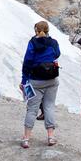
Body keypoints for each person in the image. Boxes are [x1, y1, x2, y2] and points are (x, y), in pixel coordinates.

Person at [21, 20, 61, 149]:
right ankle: (50, 136)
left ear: (36, 31)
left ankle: (26, 139)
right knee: (49, 106)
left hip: (36, 80)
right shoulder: (53, 43)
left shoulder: (32, 43)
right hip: (52, 79)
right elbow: (57, 54)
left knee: (32, 109)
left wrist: (23, 80)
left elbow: (27, 61)